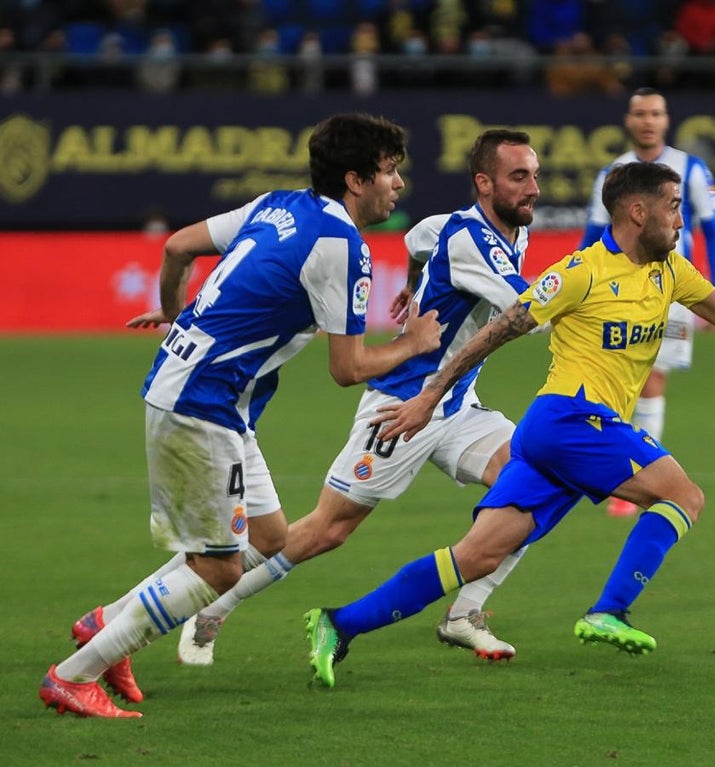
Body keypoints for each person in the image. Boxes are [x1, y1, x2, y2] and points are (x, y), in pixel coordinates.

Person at [40, 113, 443, 718]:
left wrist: (178, 317)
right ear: (356, 180)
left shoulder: (276, 205)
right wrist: (414, 343)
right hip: (203, 403)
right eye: (390, 173)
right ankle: (74, 675)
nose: (398, 185)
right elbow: (348, 367)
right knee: (220, 568)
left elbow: (177, 247)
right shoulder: (343, 245)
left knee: (269, 539)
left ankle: (106, 624)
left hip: (208, 395)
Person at [301, 161, 715, 688]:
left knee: (476, 555)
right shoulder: (580, 272)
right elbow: (495, 332)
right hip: (569, 418)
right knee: (684, 495)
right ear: (638, 211)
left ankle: (339, 623)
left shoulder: (672, 270)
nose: (682, 221)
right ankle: (610, 610)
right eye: (674, 207)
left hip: (561, 439)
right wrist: (431, 395)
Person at [174, 129, 541, 667]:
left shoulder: (490, 230)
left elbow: (417, 239)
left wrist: (415, 287)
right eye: (519, 177)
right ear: (484, 183)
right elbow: (527, 313)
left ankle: (465, 614)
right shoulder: (468, 240)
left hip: (457, 404)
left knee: (534, 487)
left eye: (534, 174)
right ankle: (212, 608)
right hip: (402, 408)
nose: (533, 187)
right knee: (327, 530)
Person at [580, 87, 715, 516]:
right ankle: (622, 469)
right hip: (614, 292)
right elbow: (592, 234)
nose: (648, 120)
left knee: (653, 378)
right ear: (628, 121)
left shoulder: (690, 168)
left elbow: (713, 229)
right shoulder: (614, 172)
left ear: (666, 120)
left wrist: (714, 294)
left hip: (671, 290)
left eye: (656, 113)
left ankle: (636, 475)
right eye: (640, 113)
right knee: (614, 379)